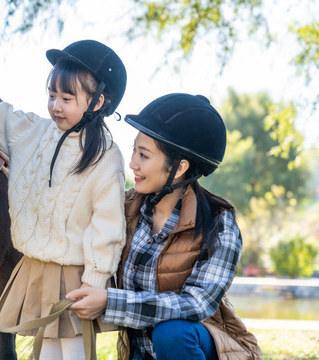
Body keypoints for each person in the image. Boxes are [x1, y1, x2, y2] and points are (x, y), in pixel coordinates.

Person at [66, 93, 263, 360]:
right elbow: (73, 215)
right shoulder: (124, 208)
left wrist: (110, 302)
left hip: (194, 348)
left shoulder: (218, 222)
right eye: (134, 150)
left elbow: (197, 304)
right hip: (140, 351)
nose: (132, 163)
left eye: (144, 155)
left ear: (180, 167)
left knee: (172, 333)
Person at [0, 40, 127, 359]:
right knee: (44, 354)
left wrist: (95, 282)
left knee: (72, 353)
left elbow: (107, 228)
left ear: (98, 102)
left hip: (75, 276)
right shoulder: (32, 132)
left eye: (67, 98)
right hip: (34, 269)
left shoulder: (105, 156)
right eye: (52, 95)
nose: (55, 105)